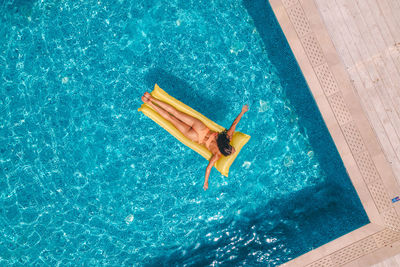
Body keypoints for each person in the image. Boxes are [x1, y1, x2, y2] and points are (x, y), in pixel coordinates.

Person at [141, 92, 249, 190]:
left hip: (201, 128)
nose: (234, 150)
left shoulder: (227, 137)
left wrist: (242, 112)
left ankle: (150, 98)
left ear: (229, 146)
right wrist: (206, 182)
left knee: (175, 113)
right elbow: (208, 168)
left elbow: (234, 123)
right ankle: (149, 103)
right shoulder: (217, 154)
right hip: (195, 137)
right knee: (171, 119)